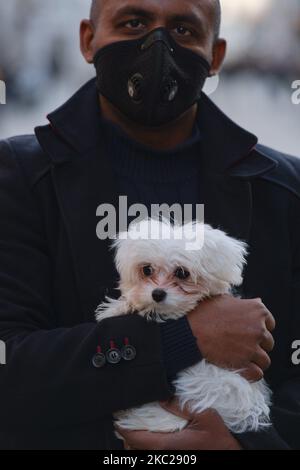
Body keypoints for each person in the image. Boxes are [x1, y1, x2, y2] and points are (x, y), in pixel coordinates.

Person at [0, 0, 299, 450]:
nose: (156, 44)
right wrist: (182, 338)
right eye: (133, 22)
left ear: (214, 56)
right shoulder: (18, 178)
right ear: (88, 39)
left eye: (182, 30)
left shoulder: (285, 191)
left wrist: (248, 446)